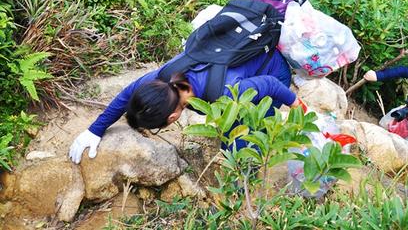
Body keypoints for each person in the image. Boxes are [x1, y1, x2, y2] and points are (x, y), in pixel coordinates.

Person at [69, 50, 303, 164]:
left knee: (245, 136)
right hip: (243, 68)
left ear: (172, 117)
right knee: (227, 132)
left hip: (272, 69)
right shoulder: (164, 79)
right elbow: (125, 96)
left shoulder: (221, 93)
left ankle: (247, 175)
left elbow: (270, 85)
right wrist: (95, 130)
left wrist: (297, 105)